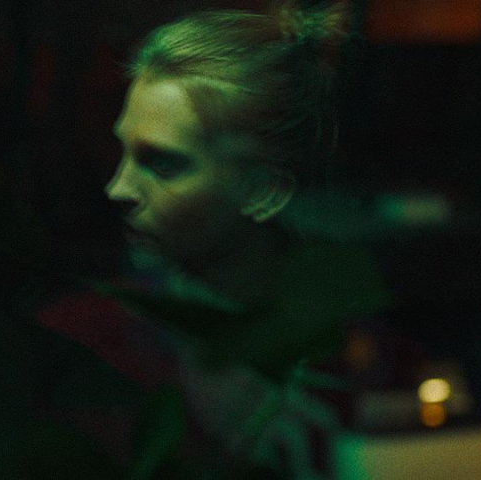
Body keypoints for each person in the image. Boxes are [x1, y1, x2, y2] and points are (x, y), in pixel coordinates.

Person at [42, 1, 388, 477]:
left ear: (261, 191)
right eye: (122, 151)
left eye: (162, 163)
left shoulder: (361, 359)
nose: (118, 188)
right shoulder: (79, 341)